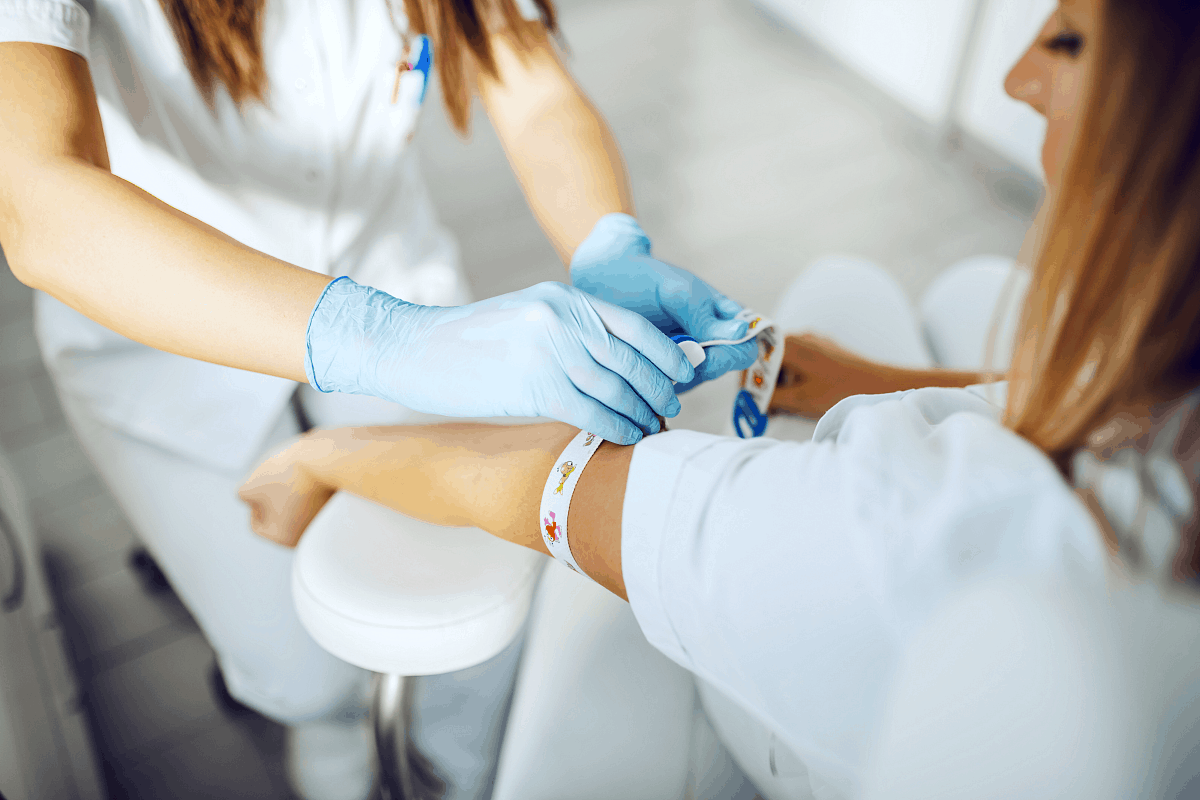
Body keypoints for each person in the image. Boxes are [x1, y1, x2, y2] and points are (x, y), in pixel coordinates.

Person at [239, 0, 1200, 796]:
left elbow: (562, 491)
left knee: (574, 610)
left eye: (1067, 42)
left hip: (853, 650)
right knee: (889, 289)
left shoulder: (911, 535)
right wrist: (861, 379)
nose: (1015, 79)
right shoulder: (1156, 415)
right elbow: (1044, 403)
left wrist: (331, 454)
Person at [0, 1, 756, 797]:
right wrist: (385, 340)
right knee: (304, 677)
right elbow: (39, 202)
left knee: (452, 581)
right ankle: (323, 736)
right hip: (164, 329)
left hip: (386, 267)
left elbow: (531, 89)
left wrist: (606, 240)